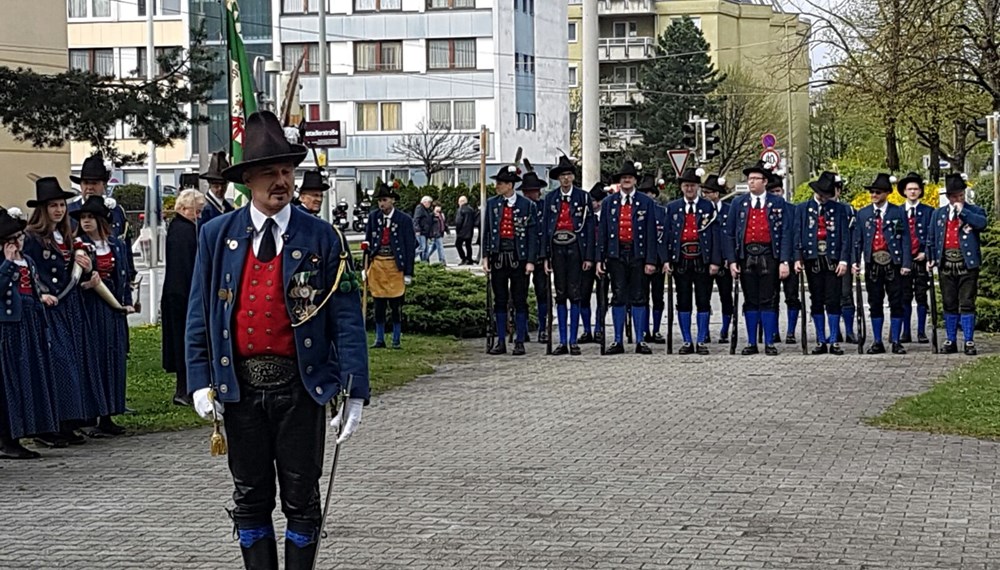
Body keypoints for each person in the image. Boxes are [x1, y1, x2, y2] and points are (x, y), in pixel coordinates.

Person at [185, 111, 369, 569]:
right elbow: (200, 313)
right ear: (248, 179)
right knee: (249, 498)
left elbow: (346, 319)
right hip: (241, 388)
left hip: (300, 389)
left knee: (302, 499)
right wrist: (198, 378)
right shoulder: (216, 235)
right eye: (270, 173)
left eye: (287, 171)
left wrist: (356, 390)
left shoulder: (322, 237)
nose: (281, 182)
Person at [24, 177, 95, 446]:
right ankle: (47, 426)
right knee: (57, 364)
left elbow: (72, 269)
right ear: (42, 209)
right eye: (53, 205)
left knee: (72, 363)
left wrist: (84, 265)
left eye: (61, 204)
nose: (58, 210)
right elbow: (30, 269)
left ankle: (68, 422)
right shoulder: (32, 237)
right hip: (48, 308)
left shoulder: (68, 235)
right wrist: (41, 292)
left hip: (69, 305)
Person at [0, 206, 61, 460]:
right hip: (8, 329)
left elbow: (34, 286)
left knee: (29, 378)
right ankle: (7, 439)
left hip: (29, 325)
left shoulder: (29, 260)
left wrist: (41, 298)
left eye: (20, 238)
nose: (18, 244)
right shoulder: (5, 264)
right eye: (12, 240)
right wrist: (8, 265)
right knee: (10, 384)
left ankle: (26, 431)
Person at [73, 195, 136, 436]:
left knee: (114, 358)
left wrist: (127, 302)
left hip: (113, 310)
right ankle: (91, 415)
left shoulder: (115, 245)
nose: (86, 222)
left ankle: (109, 414)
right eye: (83, 218)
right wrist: (87, 284)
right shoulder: (79, 246)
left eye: (91, 217)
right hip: (91, 308)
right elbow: (73, 280)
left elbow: (125, 277)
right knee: (94, 359)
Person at [723, 161, 794, 356]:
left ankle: (769, 341)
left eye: (755, 179)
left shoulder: (778, 202)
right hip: (746, 256)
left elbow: (786, 232)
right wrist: (732, 260)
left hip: (769, 255)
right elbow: (729, 233)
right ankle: (752, 342)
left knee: (769, 298)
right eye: (750, 179)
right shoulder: (738, 203)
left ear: (764, 181)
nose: (751, 182)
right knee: (750, 299)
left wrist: (784, 261)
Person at [596, 160, 658, 355]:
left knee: (639, 297)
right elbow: (603, 233)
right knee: (618, 296)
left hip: (638, 254)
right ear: (619, 181)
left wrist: (650, 260)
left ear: (635, 181)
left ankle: (640, 340)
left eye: (630, 178)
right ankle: (617, 340)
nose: (627, 181)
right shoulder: (608, 203)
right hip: (616, 255)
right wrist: (600, 259)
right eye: (623, 178)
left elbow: (651, 234)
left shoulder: (646, 202)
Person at [927, 173, 987, 355]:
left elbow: (982, 224)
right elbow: (931, 239)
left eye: (960, 195)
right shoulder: (938, 214)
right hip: (946, 264)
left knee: (967, 302)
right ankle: (950, 339)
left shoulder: (974, 211)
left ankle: (968, 340)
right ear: (948, 197)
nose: (958, 199)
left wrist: (963, 212)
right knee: (949, 303)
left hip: (967, 265)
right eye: (954, 196)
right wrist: (930, 258)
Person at [852, 173, 912, 355]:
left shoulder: (898, 212)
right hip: (873, 264)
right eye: (872, 192)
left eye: (877, 192)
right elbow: (858, 241)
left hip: (893, 263)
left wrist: (906, 262)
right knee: (875, 302)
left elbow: (906, 239)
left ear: (887, 193)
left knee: (897, 302)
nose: (874, 195)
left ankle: (895, 340)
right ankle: (877, 341)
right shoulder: (863, 214)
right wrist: (856, 262)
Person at [483, 164, 538, 356]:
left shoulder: (527, 205)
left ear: (510, 185)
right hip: (498, 256)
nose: (497, 186)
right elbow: (487, 231)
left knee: (520, 300)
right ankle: (500, 341)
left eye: (500, 183)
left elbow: (532, 236)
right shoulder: (492, 204)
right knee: (500, 300)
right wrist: (485, 256)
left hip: (518, 258)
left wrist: (531, 260)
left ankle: (520, 341)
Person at [540, 155, 593, 355]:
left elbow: (588, 228)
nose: (566, 179)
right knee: (560, 294)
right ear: (558, 178)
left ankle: (573, 340)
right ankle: (562, 340)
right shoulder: (550, 199)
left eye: (569, 175)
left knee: (576, 293)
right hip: (557, 249)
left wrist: (589, 256)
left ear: (573, 177)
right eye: (562, 176)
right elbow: (545, 228)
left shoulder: (583, 197)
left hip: (576, 249)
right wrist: (546, 257)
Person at [664, 169, 722, 354]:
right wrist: (666, 260)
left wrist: (715, 261)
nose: (689, 188)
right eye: (686, 185)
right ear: (681, 187)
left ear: (698, 187)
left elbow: (715, 235)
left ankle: (701, 340)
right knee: (683, 300)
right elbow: (666, 235)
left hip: (702, 260)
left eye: (693, 185)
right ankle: (687, 340)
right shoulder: (673, 207)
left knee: (703, 300)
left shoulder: (707, 207)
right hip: (681, 260)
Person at [795, 171, 850, 355]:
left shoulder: (839, 209)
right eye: (822, 194)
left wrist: (844, 259)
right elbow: (797, 235)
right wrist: (797, 258)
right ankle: (820, 340)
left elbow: (845, 236)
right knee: (816, 300)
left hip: (832, 259)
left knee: (833, 300)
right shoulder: (802, 208)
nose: (825, 197)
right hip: (812, 259)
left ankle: (833, 340)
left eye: (828, 194)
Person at [162, 190, 205, 406]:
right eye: (196, 210)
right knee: (183, 344)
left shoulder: (184, 228)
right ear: (183, 209)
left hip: (181, 293)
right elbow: (185, 267)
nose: (199, 214)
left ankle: (187, 388)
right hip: (181, 294)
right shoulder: (182, 231)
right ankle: (183, 389)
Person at [364, 181, 416, 349]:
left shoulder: (404, 219)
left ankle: (396, 339)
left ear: (393, 200)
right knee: (378, 304)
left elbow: (410, 247)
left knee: (395, 305)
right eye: (379, 200)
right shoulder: (373, 217)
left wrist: (408, 272)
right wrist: (365, 268)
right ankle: (379, 339)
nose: (381, 204)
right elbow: (367, 242)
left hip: (395, 265)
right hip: (378, 263)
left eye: (384, 200)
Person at [68, 153, 135, 281]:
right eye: (86, 183)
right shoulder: (70, 212)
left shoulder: (116, 211)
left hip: (115, 283)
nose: (89, 188)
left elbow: (124, 246)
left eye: (94, 183)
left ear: (103, 185)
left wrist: (130, 276)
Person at [897, 172, 934, 344]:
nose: (912, 192)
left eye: (916, 189)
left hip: (921, 259)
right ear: (904, 191)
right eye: (909, 189)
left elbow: (932, 235)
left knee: (921, 296)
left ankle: (921, 331)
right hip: (903, 261)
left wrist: (926, 252)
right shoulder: (897, 211)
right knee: (904, 296)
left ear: (920, 191)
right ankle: (905, 332)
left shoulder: (929, 211)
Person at [767, 172, 802, 345]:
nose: (775, 195)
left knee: (792, 296)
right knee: (771, 298)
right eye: (772, 191)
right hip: (771, 259)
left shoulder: (792, 209)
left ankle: (791, 332)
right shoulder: (764, 208)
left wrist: (796, 259)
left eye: (778, 191)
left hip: (789, 258)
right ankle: (773, 332)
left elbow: (796, 236)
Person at [700, 174, 734, 344]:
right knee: (703, 296)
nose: (706, 195)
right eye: (704, 192)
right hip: (706, 260)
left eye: (709, 192)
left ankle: (725, 329)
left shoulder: (728, 210)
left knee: (725, 295)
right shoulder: (701, 210)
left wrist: (730, 257)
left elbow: (732, 235)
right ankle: (704, 330)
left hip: (725, 261)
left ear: (717, 193)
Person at [519, 172, 550, 344]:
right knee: (520, 294)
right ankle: (521, 329)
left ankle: (543, 328)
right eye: (527, 191)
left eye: (534, 191)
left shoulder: (545, 207)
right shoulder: (520, 207)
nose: (531, 194)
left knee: (542, 294)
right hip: (523, 257)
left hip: (541, 255)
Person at [638, 174, 668, 344]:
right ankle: (643, 330)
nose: (647, 195)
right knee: (641, 297)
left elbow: (665, 237)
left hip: (657, 259)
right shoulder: (638, 210)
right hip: (641, 259)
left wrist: (665, 260)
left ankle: (656, 330)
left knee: (658, 297)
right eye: (644, 192)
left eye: (650, 192)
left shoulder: (662, 212)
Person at [579, 182, 609, 344]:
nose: (592, 204)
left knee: (602, 296)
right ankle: (586, 330)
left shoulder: (607, 217)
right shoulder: (585, 218)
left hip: (603, 261)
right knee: (584, 295)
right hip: (586, 260)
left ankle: (600, 327)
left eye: (594, 201)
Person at [200, 150, 236, 225]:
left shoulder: (229, 208)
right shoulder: (202, 209)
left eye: (223, 184)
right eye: (216, 185)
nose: (220, 188)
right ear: (209, 183)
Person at [454, 195, 476, 265]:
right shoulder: (471, 209)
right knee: (468, 245)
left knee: (458, 244)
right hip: (470, 231)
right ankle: (469, 259)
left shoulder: (460, 210)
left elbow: (458, 221)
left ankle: (463, 258)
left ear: (461, 202)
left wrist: (457, 231)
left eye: (459, 202)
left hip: (462, 232)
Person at [413, 196, 433, 262]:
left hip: (425, 232)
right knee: (422, 247)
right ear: (424, 202)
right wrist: (417, 229)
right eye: (429, 202)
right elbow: (416, 219)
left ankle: (425, 261)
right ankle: (410, 257)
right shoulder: (420, 208)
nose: (430, 204)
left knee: (425, 248)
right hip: (421, 232)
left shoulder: (426, 210)